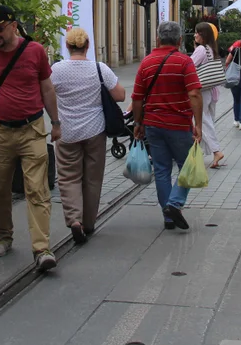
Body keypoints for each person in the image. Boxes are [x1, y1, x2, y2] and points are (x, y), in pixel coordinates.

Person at [0, 6, 61, 272]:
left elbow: (47, 88)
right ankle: (3, 236)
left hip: (32, 130)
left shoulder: (35, 51)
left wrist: (56, 123)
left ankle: (42, 248)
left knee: (37, 189)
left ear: (13, 26)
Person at [50, 28, 125, 244]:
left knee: (67, 177)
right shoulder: (99, 69)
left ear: (67, 46)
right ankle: (89, 223)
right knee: (92, 179)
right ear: (88, 46)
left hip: (67, 131)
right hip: (95, 131)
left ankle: (74, 220)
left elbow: (44, 93)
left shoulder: (57, 70)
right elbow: (120, 95)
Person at [132, 21, 202, 231]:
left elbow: (137, 98)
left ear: (158, 39)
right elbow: (194, 93)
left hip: (153, 124)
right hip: (179, 125)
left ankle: (169, 216)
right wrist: (198, 123)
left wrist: (138, 123)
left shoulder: (146, 62)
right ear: (180, 40)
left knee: (162, 170)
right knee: (187, 166)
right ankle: (174, 204)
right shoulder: (185, 62)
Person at [190, 22, 225, 169]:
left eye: (197, 33)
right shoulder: (211, 49)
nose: (195, 35)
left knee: (202, 120)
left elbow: (189, 66)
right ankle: (200, 151)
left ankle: (216, 151)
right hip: (211, 89)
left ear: (203, 35)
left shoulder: (201, 50)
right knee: (207, 120)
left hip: (201, 91)